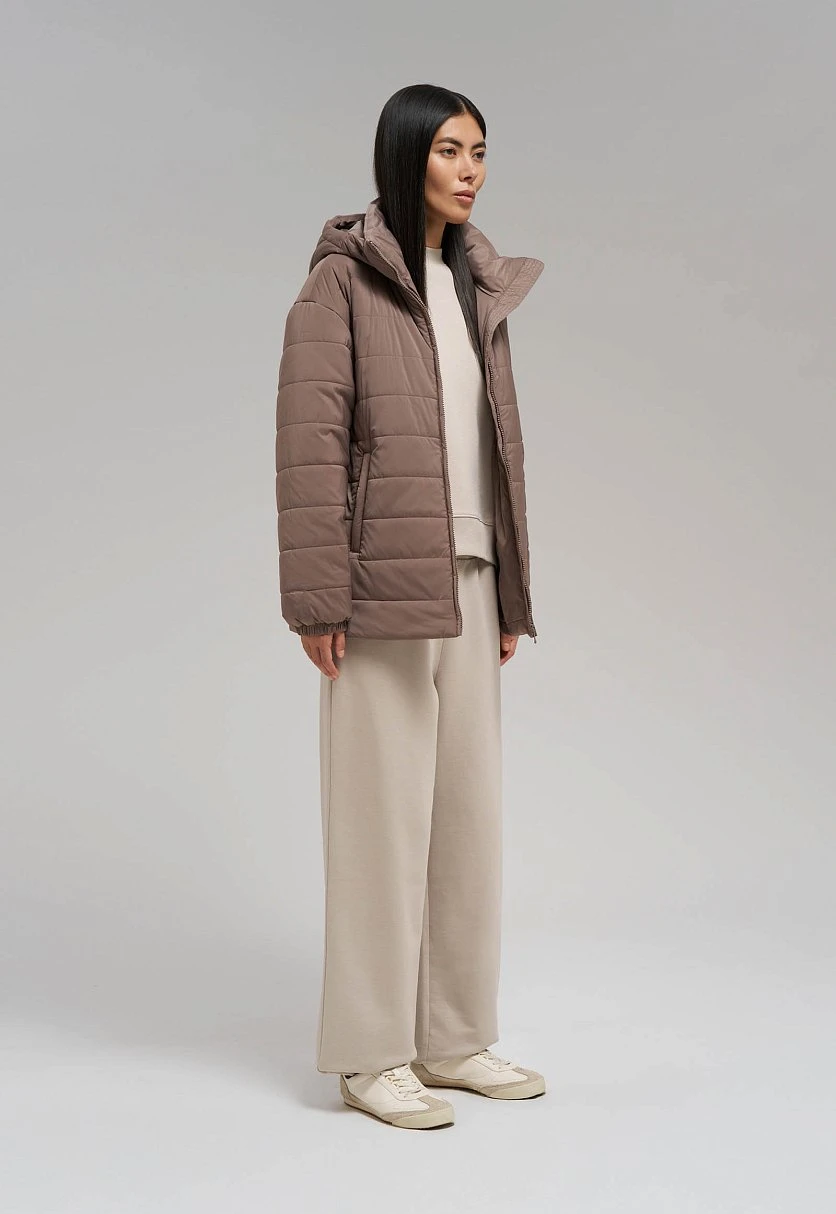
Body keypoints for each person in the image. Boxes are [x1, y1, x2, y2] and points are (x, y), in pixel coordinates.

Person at [274, 83, 546, 1129]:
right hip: (380, 588)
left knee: (468, 822)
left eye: (479, 150)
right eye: (448, 150)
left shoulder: (478, 286)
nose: (469, 170)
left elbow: (496, 451)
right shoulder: (341, 283)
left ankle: (451, 1037)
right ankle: (367, 1052)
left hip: (470, 582)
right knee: (379, 826)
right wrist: (316, 598)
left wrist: (510, 587)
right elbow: (309, 447)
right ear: (405, 156)